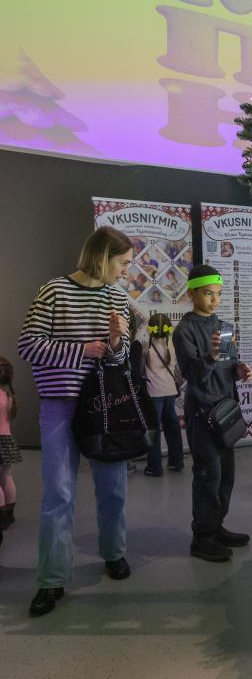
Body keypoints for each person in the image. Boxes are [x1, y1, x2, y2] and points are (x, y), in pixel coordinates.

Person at [18, 225, 134, 616]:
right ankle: (51, 579)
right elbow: (28, 345)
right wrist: (82, 350)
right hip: (60, 405)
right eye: (123, 263)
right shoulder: (53, 290)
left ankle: (114, 553)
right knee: (58, 493)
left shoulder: (117, 297)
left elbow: (121, 359)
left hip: (105, 406)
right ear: (103, 257)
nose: (126, 271)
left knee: (113, 488)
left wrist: (116, 342)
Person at [173, 265, 252, 562]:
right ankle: (202, 537)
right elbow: (193, 375)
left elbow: (229, 363)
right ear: (191, 294)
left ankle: (216, 526)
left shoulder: (223, 325)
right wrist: (212, 356)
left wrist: (239, 369)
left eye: (218, 294)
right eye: (208, 294)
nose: (215, 300)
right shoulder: (184, 331)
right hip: (202, 413)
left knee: (226, 475)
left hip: (226, 411)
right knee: (209, 474)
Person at [143, 313, 185, 476]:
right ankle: (176, 462)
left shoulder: (145, 347)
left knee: (154, 430)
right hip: (170, 391)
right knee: (172, 427)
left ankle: (154, 467)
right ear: (168, 329)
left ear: (150, 329)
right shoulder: (172, 346)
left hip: (153, 393)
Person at [0, 357, 22, 539]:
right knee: (6, 477)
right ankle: (9, 513)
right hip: (7, 440)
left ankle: (0, 516)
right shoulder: (9, 394)